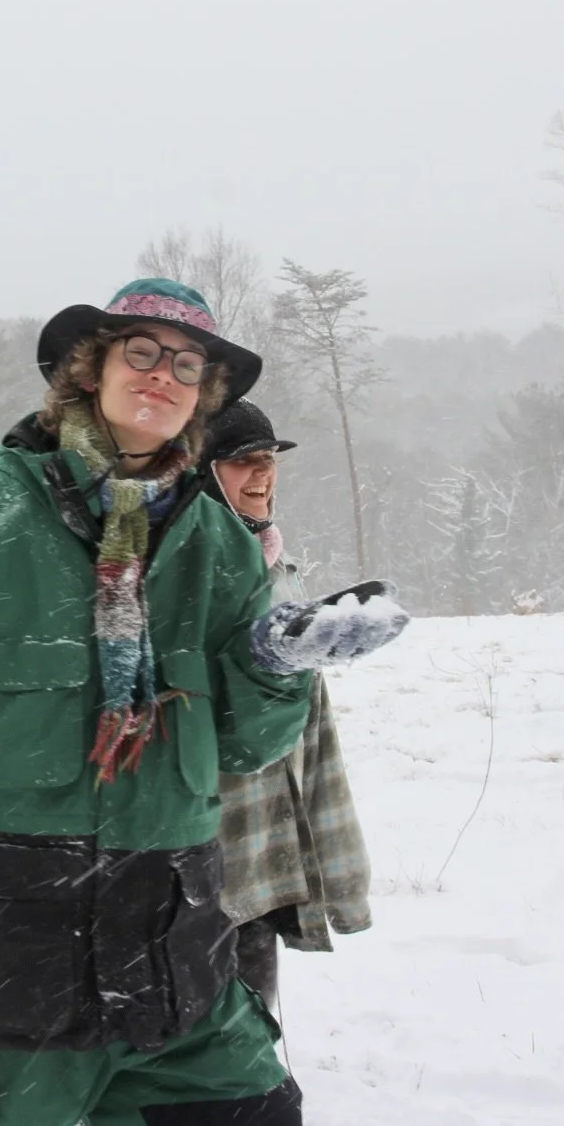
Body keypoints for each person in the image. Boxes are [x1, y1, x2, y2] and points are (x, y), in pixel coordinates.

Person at [0, 280, 410, 1126]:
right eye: (139, 351)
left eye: (188, 364)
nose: (164, 374)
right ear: (88, 371)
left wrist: (275, 663)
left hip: (171, 968)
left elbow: (244, 745)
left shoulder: (219, 547)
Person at [203, 400, 373, 1006]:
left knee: (252, 1023)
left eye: (269, 460)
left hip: (264, 837)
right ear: (199, 470)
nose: (263, 475)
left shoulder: (276, 560)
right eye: (243, 462)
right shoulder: (182, 572)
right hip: (202, 847)